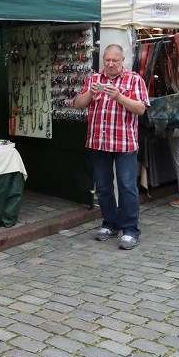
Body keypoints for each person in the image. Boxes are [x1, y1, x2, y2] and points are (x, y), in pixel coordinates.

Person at [73, 44, 149, 250]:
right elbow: (78, 104)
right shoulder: (93, 79)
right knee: (104, 187)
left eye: (115, 60)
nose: (110, 64)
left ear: (122, 60)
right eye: (107, 60)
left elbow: (141, 109)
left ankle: (131, 230)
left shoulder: (134, 79)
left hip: (124, 143)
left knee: (126, 187)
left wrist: (119, 96)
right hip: (98, 142)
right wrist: (90, 93)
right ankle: (110, 223)